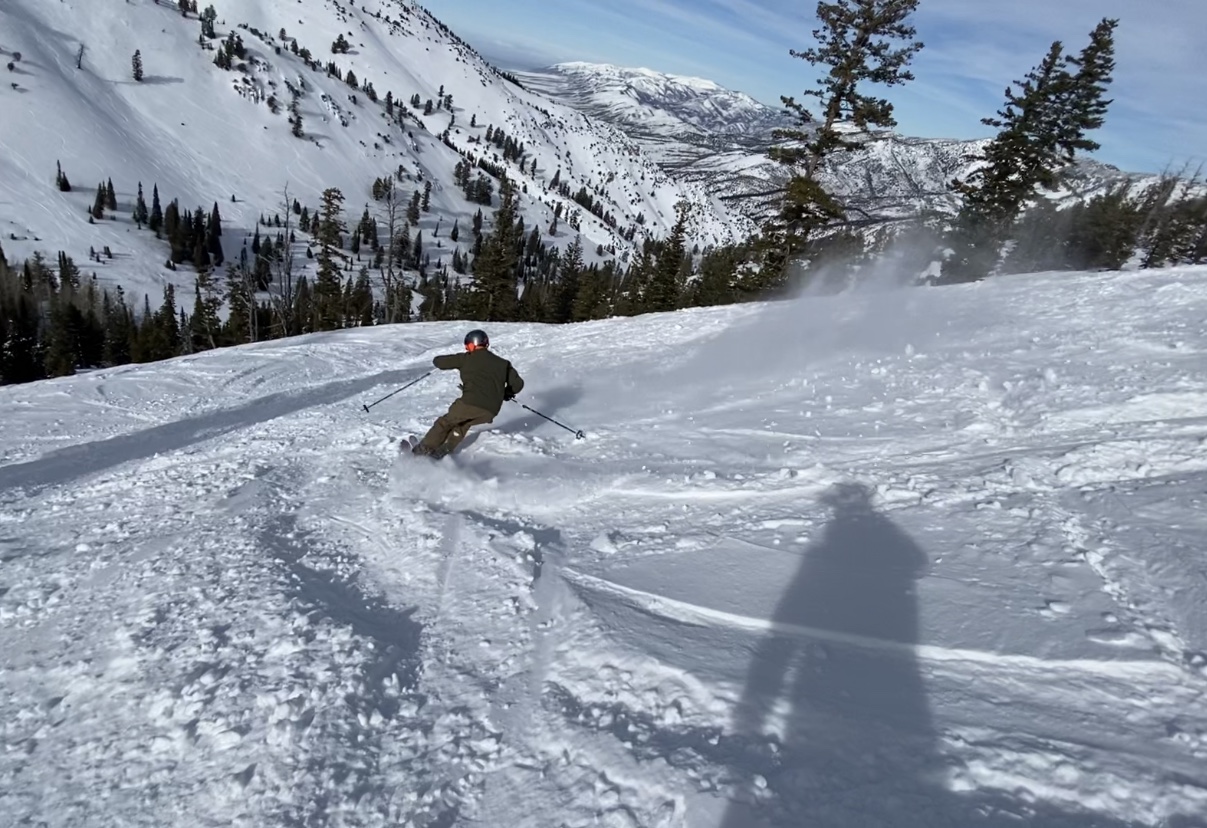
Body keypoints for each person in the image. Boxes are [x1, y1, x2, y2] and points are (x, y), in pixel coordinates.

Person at [412, 329, 524, 458]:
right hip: (490, 411)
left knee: (445, 423)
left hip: (469, 404)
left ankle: (423, 450)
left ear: (472, 344)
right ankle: (442, 451)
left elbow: (438, 361)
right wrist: (506, 393)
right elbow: (518, 384)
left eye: (467, 346)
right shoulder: (503, 363)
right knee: (462, 425)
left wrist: (443, 362)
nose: (466, 348)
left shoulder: (466, 358)